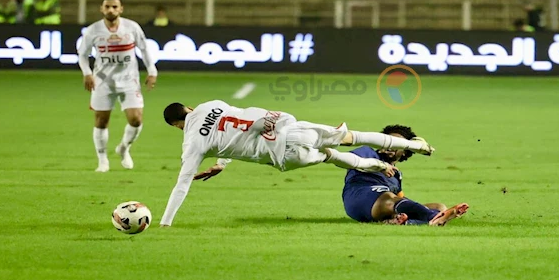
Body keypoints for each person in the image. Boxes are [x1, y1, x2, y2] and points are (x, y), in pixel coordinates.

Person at [159, 100, 435, 227]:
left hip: (285, 154)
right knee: (354, 136)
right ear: (190, 109)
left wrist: (165, 223)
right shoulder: (211, 105)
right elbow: (233, 126)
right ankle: (415, 145)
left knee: (331, 156)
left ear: (176, 125)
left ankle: (370, 165)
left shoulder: (192, 143)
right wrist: (222, 162)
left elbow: (182, 185)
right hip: (292, 127)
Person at [78, 0, 158, 172]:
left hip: (129, 81)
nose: (111, 10)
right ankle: (102, 160)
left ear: (121, 9)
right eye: (107, 7)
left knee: (136, 120)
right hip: (102, 81)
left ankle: (124, 148)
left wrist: (152, 71)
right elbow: (82, 55)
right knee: (101, 121)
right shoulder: (93, 30)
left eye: (115, 7)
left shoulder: (131, 27)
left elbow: (144, 50)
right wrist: (87, 73)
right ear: (101, 9)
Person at [342, 124, 468, 226]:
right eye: (388, 141)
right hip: (358, 197)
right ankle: (432, 217)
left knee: (439, 206)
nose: (390, 146)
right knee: (388, 198)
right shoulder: (367, 152)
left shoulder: (396, 175)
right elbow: (348, 160)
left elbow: (402, 198)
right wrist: (379, 165)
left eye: (397, 143)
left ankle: (405, 222)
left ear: (404, 151)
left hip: (381, 206)